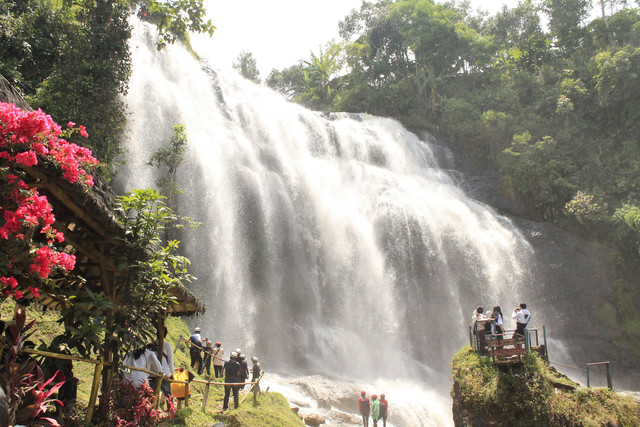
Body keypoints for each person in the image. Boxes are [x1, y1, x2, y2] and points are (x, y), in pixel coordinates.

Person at [159, 326, 174, 398]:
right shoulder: (167, 345)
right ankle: (170, 408)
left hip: (152, 373)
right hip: (164, 373)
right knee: (169, 396)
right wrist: (172, 373)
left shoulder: (151, 345)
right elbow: (170, 361)